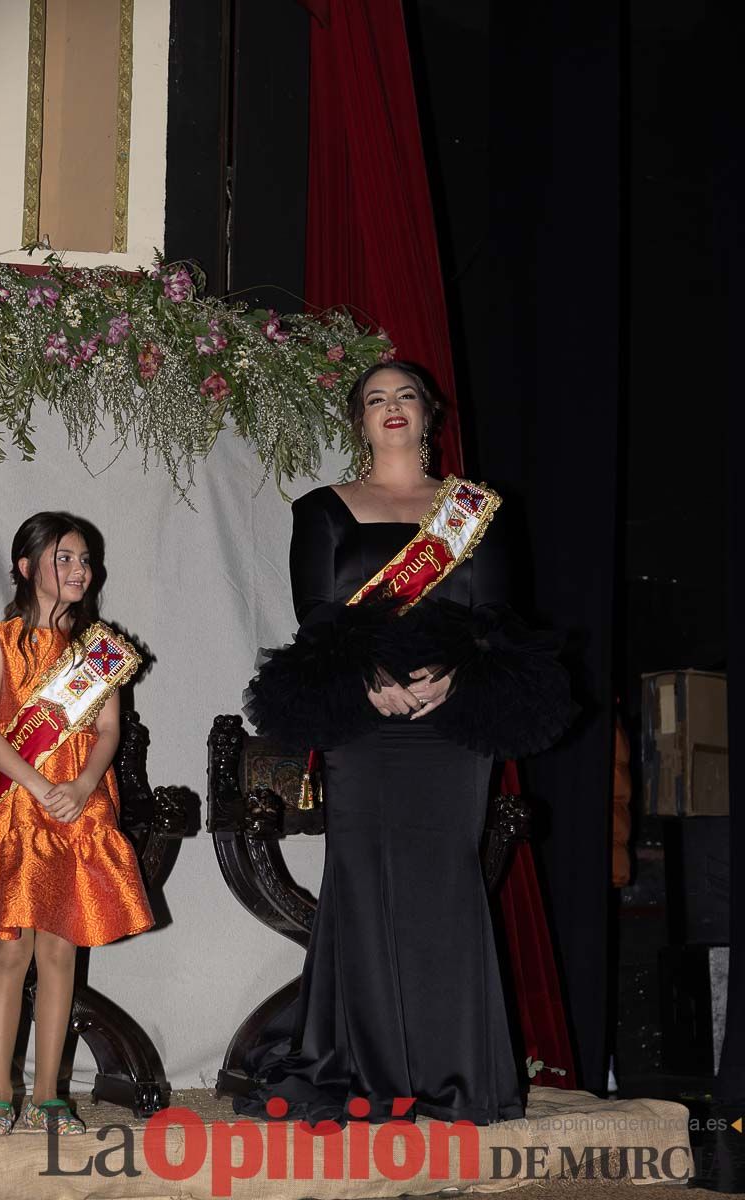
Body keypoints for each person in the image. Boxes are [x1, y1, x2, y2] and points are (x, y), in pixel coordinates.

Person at [233, 362, 573, 1126]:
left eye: (405, 396)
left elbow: (494, 614)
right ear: (359, 421)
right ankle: (362, 1068)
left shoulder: (474, 510)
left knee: (445, 888)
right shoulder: (321, 508)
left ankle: (456, 1074)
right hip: (362, 718)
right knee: (362, 884)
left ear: (430, 415)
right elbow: (317, 613)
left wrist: (452, 675)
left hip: (452, 725)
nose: (391, 408)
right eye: (375, 399)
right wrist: (369, 679)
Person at [0, 512, 154, 1137]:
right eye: (64, 557)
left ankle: (48, 1095)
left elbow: (110, 730)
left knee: (62, 951)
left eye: (85, 559)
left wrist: (84, 784)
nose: (79, 569)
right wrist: (41, 785)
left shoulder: (100, 653)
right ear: (26, 566)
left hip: (80, 810)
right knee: (10, 952)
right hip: (19, 808)